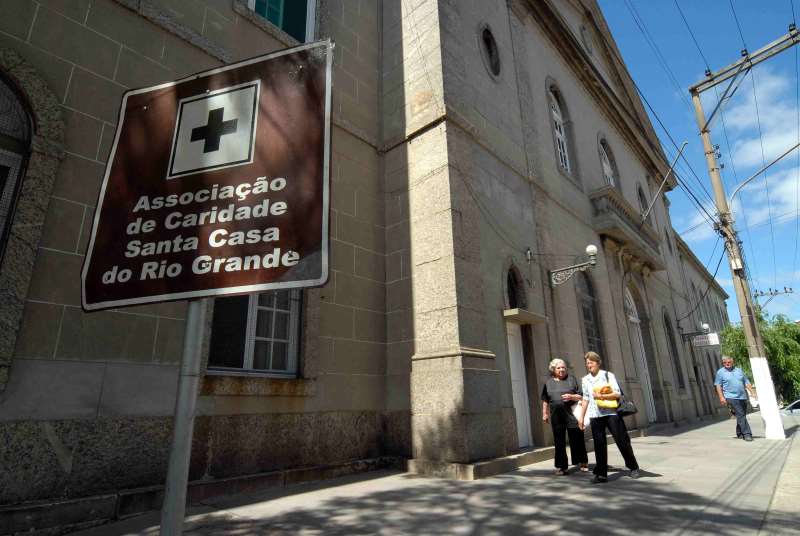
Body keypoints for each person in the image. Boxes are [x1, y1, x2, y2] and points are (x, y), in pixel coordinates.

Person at [578, 351, 640, 483]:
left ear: (598, 363)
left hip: (611, 413)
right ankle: (601, 474)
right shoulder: (585, 379)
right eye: (587, 363)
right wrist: (581, 417)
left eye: (591, 362)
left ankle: (633, 467)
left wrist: (600, 396)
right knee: (599, 444)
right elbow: (585, 399)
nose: (589, 365)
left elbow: (617, 394)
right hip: (595, 415)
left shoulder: (607, 375)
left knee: (622, 441)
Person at [541, 358, 589, 475]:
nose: (561, 370)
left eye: (563, 367)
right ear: (553, 369)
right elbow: (545, 399)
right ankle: (562, 467)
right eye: (559, 368)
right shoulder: (548, 383)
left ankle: (582, 461)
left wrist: (572, 397)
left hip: (572, 414)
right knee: (559, 441)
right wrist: (545, 413)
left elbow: (582, 396)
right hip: (556, 415)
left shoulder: (572, 379)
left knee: (577, 437)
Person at [714, 355, 757, 441]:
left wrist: (752, 392)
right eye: (724, 363)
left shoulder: (739, 370)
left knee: (741, 415)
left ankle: (739, 432)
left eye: (729, 362)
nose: (727, 364)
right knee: (740, 414)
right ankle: (747, 434)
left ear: (732, 362)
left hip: (742, 396)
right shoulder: (720, 372)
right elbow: (718, 385)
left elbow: (746, 381)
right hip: (730, 397)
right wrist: (721, 397)